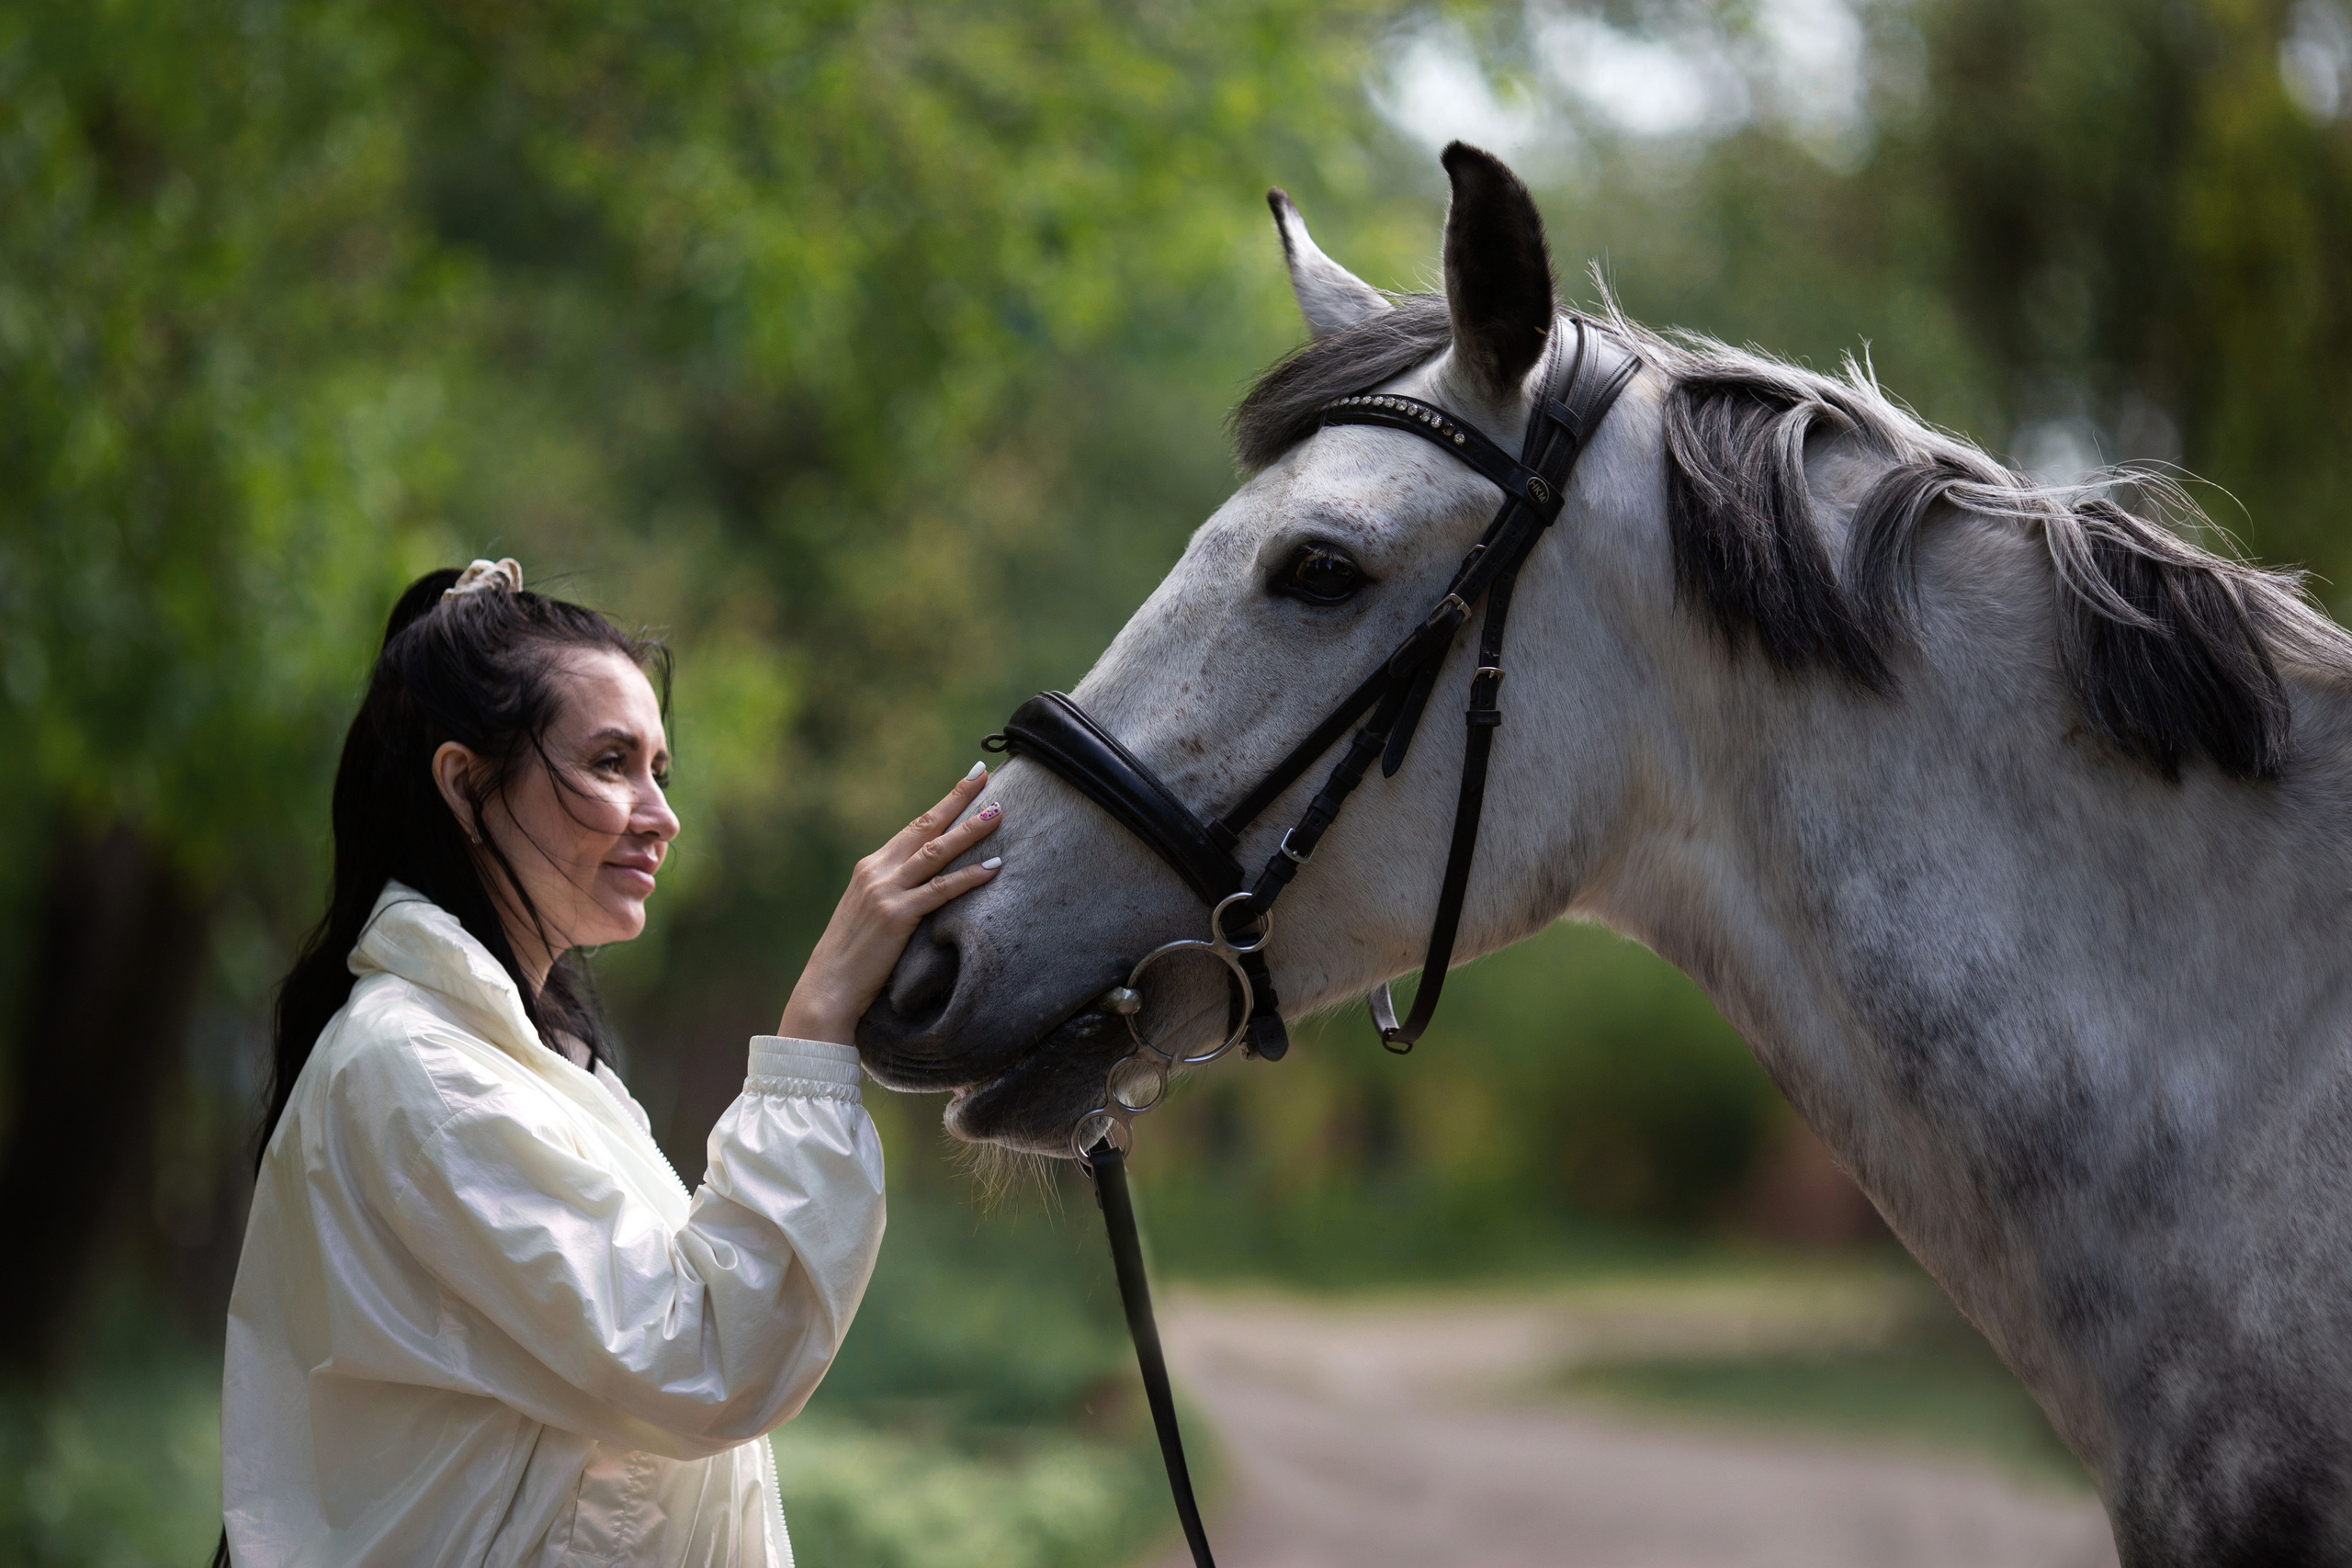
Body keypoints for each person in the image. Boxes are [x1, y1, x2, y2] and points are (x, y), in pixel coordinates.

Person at [218, 559, 1002, 1566]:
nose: (659, 813)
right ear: (465, 783)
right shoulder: (421, 1074)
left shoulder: (518, 1061)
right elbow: (708, 1361)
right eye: (608, 763)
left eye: (658, 771)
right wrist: (811, 1036)